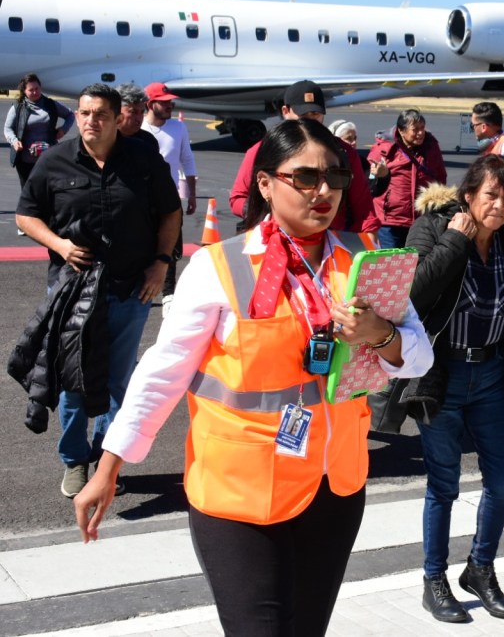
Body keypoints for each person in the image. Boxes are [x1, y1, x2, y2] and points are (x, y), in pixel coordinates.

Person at [73, 119, 433, 636]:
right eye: (305, 178)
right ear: (265, 183)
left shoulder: (365, 259)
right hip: (237, 490)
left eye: (335, 176)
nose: (324, 191)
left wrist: (379, 335)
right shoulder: (219, 267)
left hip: (332, 485)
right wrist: (109, 465)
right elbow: (162, 372)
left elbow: (419, 359)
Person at [14, 83, 181, 498]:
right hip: (74, 293)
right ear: (78, 115)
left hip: (130, 290)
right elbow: (26, 215)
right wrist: (60, 245)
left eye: (101, 114)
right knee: (74, 381)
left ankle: (107, 459)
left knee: (118, 383)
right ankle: (75, 461)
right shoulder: (54, 161)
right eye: (85, 113)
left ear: (115, 117)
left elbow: (171, 212)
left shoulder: (143, 161)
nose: (92, 121)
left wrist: (160, 266)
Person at [404, 155, 504, 623]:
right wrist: (456, 240)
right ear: (468, 196)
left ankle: (480, 568)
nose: (499, 205)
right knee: (444, 484)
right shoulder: (434, 228)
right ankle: (433, 579)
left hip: (492, 375)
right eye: (490, 195)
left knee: (503, 481)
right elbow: (412, 291)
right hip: (442, 374)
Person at [229, 81, 377, 238]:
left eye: (315, 114)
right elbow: (238, 198)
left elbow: (364, 210)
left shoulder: (344, 152)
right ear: (285, 111)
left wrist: (366, 247)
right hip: (274, 239)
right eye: (303, 115)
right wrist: (268, 211)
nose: (310, 121)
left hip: (330, 244)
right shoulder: (261, 150)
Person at [141, 82, 196, 315]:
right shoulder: (139, 128)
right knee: (143, 244)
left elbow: (187, 159)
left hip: (170, 198)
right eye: (164, 103)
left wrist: (191, 193)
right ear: (150, 104)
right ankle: (143, 287)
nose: (169, 106)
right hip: (143, 198)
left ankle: (169, 293)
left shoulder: (178, 128)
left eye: (170, 102)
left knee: (171, 246)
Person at [4, 73, 75, 234]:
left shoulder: (50, 105)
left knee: (48, 188)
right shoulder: (18, 107)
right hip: (25, 157)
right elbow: (7, 128)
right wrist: (14, 141)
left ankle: (47, 221)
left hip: (47, 156)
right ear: (24, 91)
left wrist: (63, 130)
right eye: (31, 90)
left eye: (37, 88)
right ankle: (24, 223)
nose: (35, 92)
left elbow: (70, 115)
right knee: (28, 190)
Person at [367, 108, 447, 248]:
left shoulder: (431, 146)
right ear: (401, 131)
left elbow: (441, 177)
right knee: (392, 264)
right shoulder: (384, 149)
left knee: (417, 264)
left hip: (422, 221)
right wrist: (379, 175)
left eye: (422, 128)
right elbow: (368, 185)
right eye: (415, 129)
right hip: (391, 222)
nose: (421, 133)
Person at [115, 84, 159, 153]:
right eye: (133, 112)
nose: (139, 118)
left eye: (142, 112)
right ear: (117, 110)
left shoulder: (148, 141)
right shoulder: (103, 138)